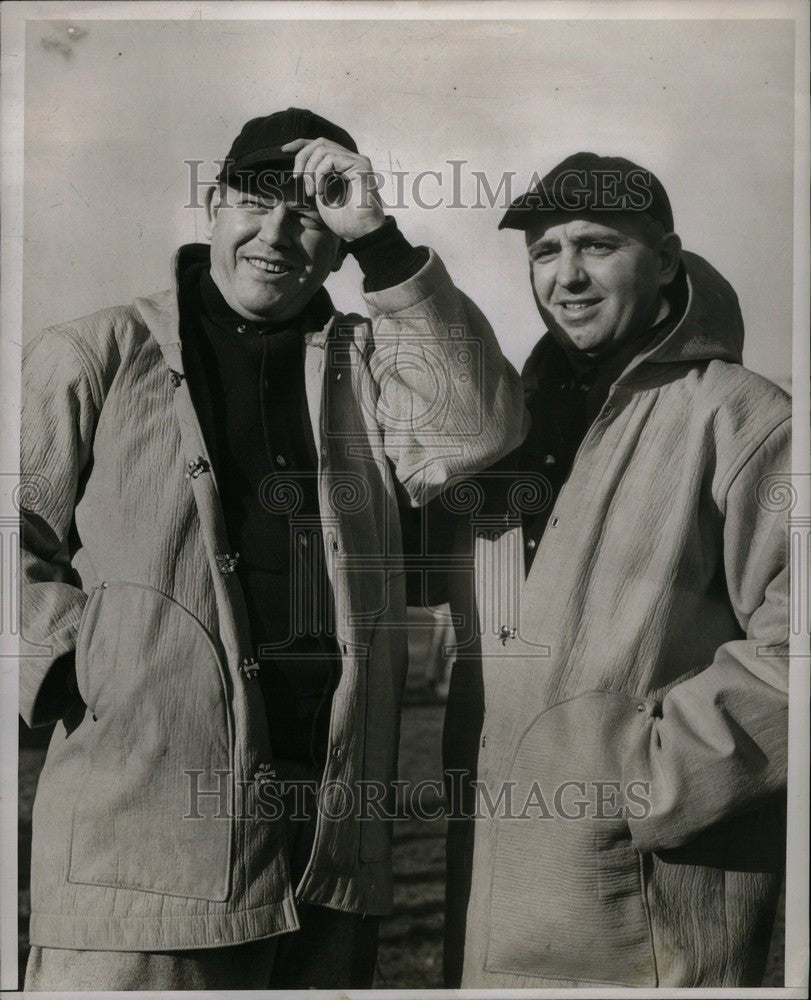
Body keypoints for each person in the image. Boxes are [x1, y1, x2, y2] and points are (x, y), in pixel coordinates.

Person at [19, 107, 526, 991]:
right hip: (137, 837)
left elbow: (477, 428)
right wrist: (88, 677)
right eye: (257, 202)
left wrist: (385, 243)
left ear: (336, 247)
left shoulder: (365, 363)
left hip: (329, 847)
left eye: (315, 213)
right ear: (213, 207)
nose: (280, 234)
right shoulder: (94, 351)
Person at [442, 152, 790, 989]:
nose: (566, 277)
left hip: (644, 909)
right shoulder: (515, 424)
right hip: (497, 883)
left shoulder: (742, 414)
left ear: (665, 259)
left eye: (595, 246)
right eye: (543, 251)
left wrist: (644, 779)